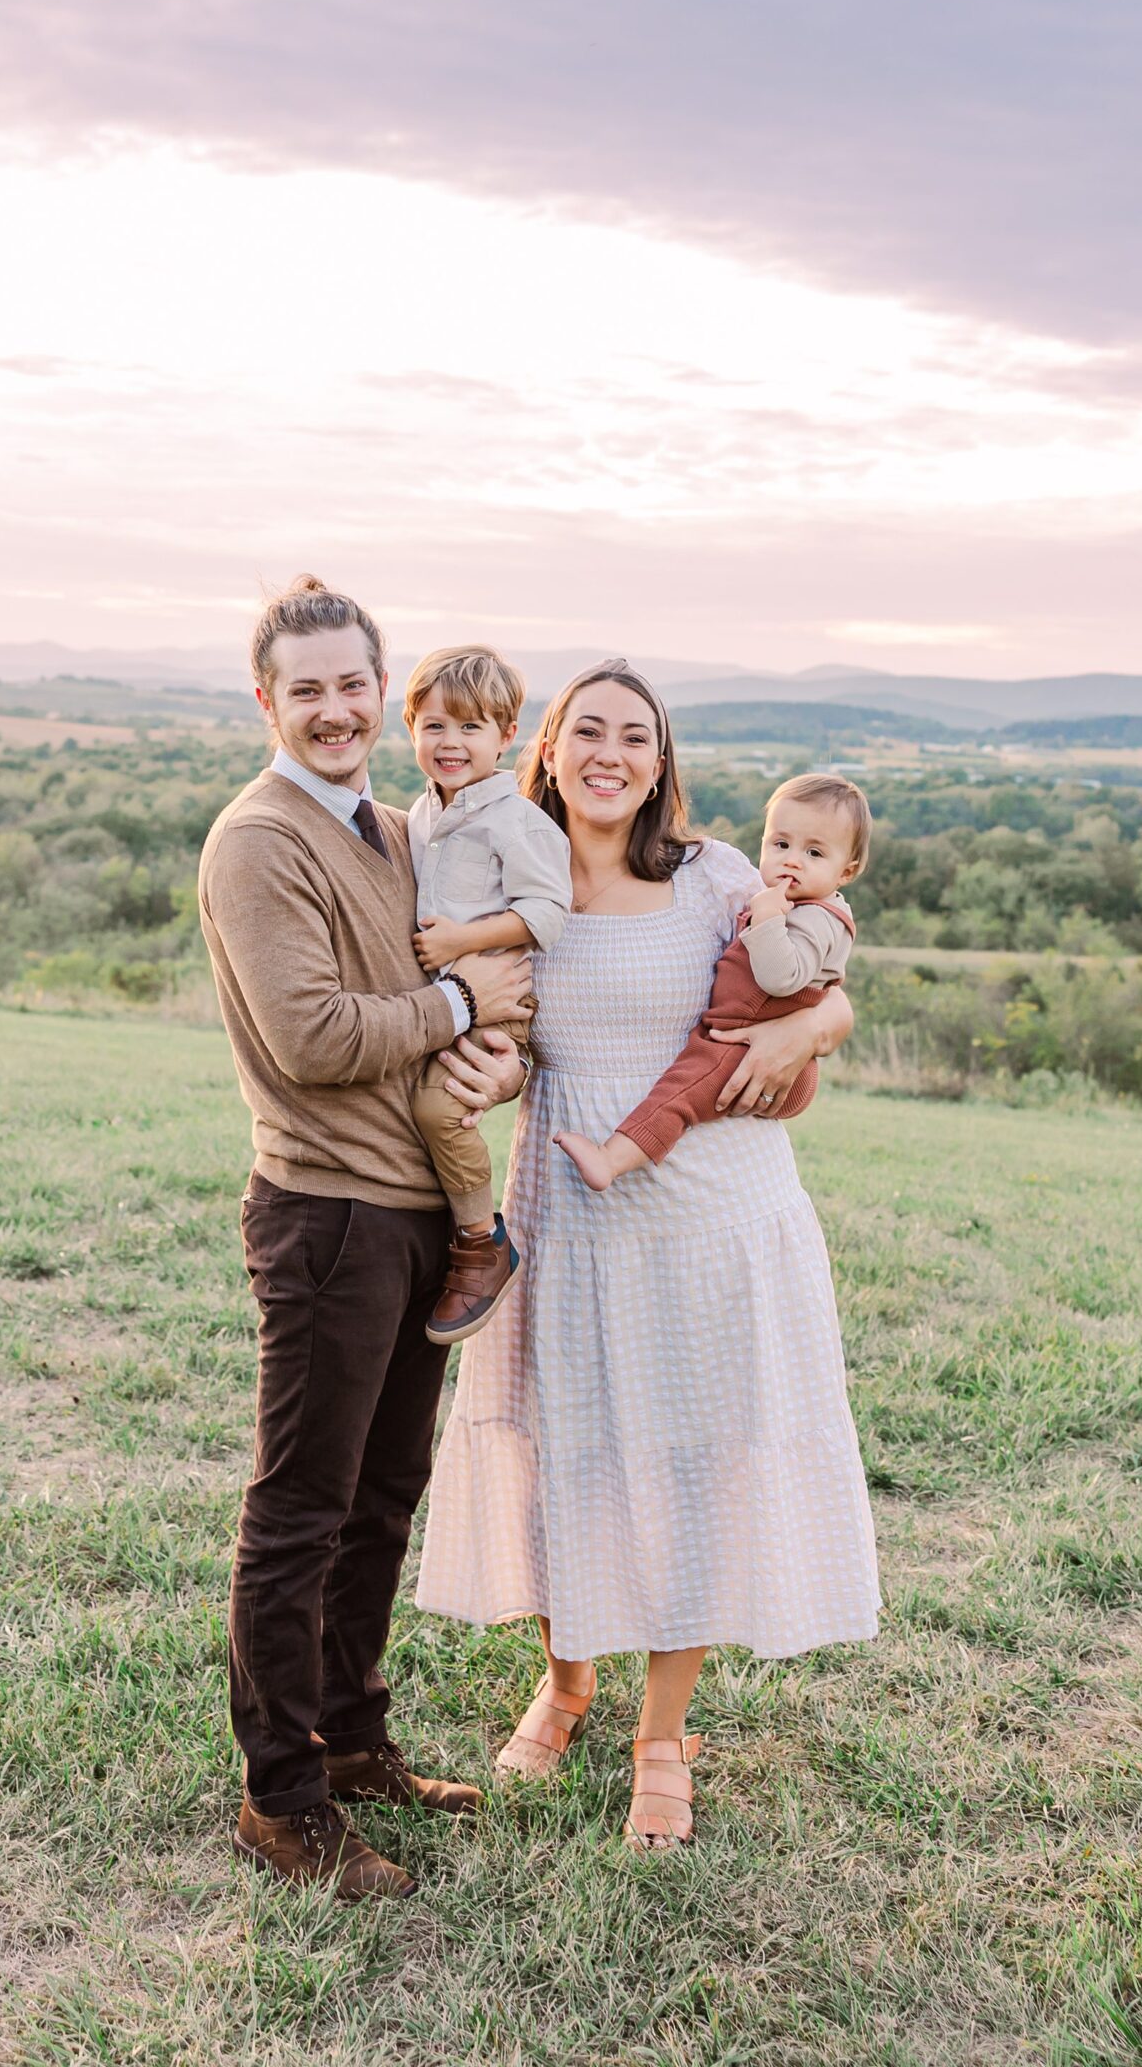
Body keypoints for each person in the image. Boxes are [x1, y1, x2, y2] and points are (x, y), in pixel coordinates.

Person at [416, 661, 881, 1853]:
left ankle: (661, 1736)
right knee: (570, 1455)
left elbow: (820, 981)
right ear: (551, 750)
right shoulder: (507, 881)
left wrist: (821, 1022)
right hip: (569, 1206)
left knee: (693, 1468)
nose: (611, 753)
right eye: (589, 733)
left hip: (716, 1215)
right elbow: (500, 1031)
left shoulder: (721, 873)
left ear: (662, 761)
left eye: (638, 734)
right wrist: (490, 1072)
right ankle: (565, 1684)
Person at [197, 576, 531, 1900]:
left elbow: (473, 994)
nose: (333, 710)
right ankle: (278, 1803)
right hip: (327, 1216)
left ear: (375, 693)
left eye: (352, 686)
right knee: (299, 1512)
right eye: (306, 688)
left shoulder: (397, 830)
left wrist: (485, 1038)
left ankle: (349, 1743)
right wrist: (458, 998)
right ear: (265, 698)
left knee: (380, 1499)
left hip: (414, 1222)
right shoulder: (256, 840)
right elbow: (316, 1036)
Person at [554, 771, 867, 1190]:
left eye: (814, 853)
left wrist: (767, 919)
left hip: (742, 1044)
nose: (792, 860)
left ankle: (611, 1159)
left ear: (846, 871)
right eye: (781, 844)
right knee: (683, 1084)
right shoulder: (783, 901)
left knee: (679, 1096)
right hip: (735, 1030)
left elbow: (781, 978)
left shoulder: (817, 917)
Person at [402, 643, 572, 1345]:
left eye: (471, 728)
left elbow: (546, 915)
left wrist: (458, 944)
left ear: (508, 738)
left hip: (497, 999)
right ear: (410, 724)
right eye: (435, 725)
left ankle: (480, 1242)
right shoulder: (419, 813)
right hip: (444, 998)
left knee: (437, 1108)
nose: (450, 742)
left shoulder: (518, 821)